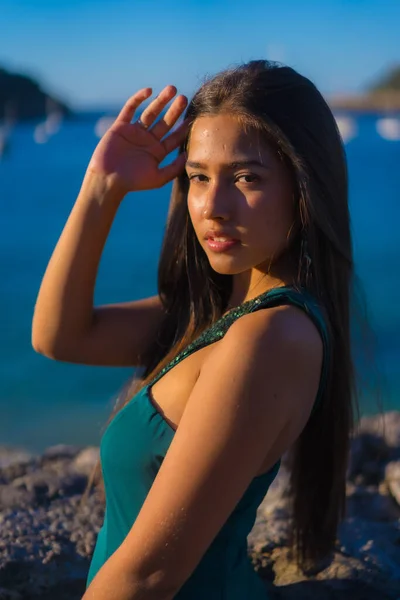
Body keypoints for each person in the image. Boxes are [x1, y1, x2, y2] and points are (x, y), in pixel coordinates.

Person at [32, 60, 358, 599]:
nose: (211, 207)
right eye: (198, 176)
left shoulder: (270, 338)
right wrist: (101, 187)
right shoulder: (218, 317)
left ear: (304, 188)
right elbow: (60, 336)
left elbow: (149, 575)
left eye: (246, 177)